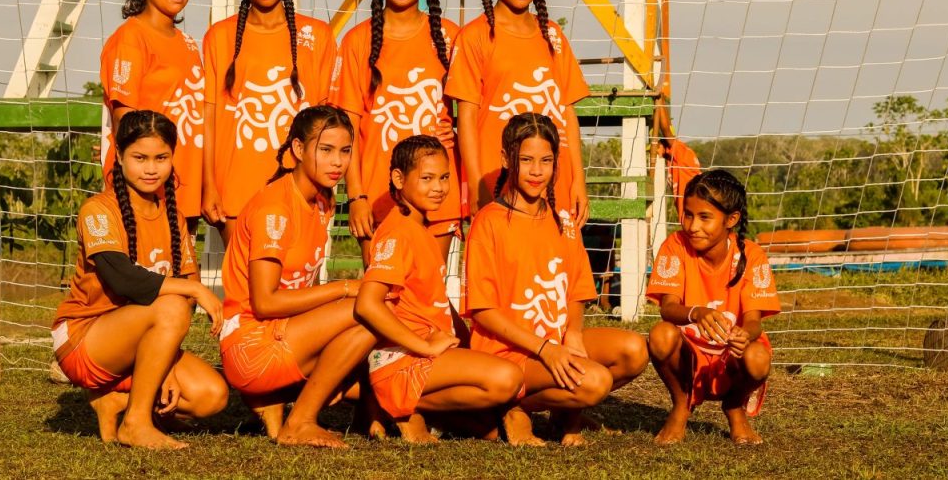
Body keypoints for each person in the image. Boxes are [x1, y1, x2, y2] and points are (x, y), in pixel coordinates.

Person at [464, 113, 648, 446]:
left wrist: (573, 334)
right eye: (527, 160)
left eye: (546, 161)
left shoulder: (563, 221)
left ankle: (563, 414)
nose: (537, 171)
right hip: (508, 354)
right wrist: (546, 349)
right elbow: (482, 311)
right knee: (594, 382)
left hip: (555, 343)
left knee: (634, 351)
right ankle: (512, 405)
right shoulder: (488, 223)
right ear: (507, 159)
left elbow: (577, 290)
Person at [52, 110, 228, 450]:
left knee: (212, 396)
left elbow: (182, 296)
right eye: (140, 157)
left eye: (161, 158)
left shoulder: (173, 214)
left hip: (140, 337)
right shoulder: (98, 210)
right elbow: (124, 281)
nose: (151, 168)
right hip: (84, 338)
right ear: (118, 156)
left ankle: (116, 401)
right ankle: (136, 424)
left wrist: (168, 365)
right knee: (174, 303)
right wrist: (193, 287)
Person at [218, 105, 374, 449]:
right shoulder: (276, 208)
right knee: (365, 312)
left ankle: (275, 399)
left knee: (368, 333)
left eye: (345, 151)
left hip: (283, 332)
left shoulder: (323, 199)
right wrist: (345, 287)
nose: (338, 162)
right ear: (299, 150)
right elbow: (265, 301)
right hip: (251, 343)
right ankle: (299, 421)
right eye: (326, 150)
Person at [354, 134, 522, 443]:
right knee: (506, 379)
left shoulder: (420, 229)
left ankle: (421, 412)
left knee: (490, 428)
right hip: (402, 358)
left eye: (444, 177)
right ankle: (397, 405)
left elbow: (431, 298)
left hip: (430, 354)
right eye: (427, 178)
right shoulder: (397, 233)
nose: (439, 187)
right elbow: (367, 304)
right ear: (398, 179)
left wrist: (464, 338)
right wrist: (423, 347)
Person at [330, 0, 462, 263]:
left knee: (426, 295)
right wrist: (357, 195)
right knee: (382, 298)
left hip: (437, 194)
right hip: (377, 192)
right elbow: (348, 128)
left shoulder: (450, 35)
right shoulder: (357, 41)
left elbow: (476, 108)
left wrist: (455, 129)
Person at [445, 0, 591, 228]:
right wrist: (475, 185)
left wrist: (578, 180)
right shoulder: (474, 36)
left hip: (553, 184)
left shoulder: (552, 35)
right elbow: (467, 119)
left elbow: (567, 114)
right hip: (498, 184)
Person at [202, 0, 337, 243]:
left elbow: (331, 119)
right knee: (245, 289)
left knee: (295, 287)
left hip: (302, 187)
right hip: (237, 189)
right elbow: (208, 118)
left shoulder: (318, 36)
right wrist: (209, 185)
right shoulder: (219, 38)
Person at [646, 169, 780, 446]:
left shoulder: (752, 256)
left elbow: (754, 322)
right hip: (690, 348)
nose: (693, 225)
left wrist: (745, 335)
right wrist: (697, 312)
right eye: (688, 214)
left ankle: (734, 408)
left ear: (731, 219)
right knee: (660, 335)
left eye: (705, 217)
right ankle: (681, 405)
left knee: (758, 357)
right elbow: (667, 308)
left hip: (730, 354)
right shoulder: (675, 245)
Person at [100, 0, 204, 223]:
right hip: (148, 190)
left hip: (185, 186)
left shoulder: (189, 44)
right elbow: (125, 121)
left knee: (181, 267)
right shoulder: (130, 39)